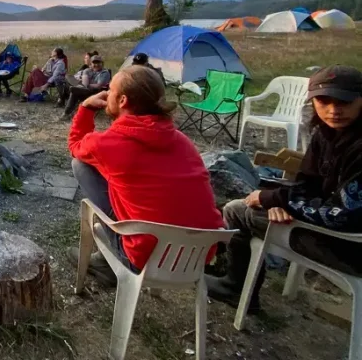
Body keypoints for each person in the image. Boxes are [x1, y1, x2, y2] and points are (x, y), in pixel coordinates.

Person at [207, 65, 362, 314]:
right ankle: (225, 272)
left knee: (238, 210)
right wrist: (278, 202)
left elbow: (344, 217)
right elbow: (305, 184)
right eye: (324, 100)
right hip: (325, 228)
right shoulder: (326, 134)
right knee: (247, 205)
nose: (334, 110)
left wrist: (281, 201)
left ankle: (234, 286)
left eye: (345, 101)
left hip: (348, 247)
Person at [68, 65, 224, 286]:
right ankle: (105, 261)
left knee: (80, 165)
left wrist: (86, 108)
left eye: (110, 90)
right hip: (196, 258)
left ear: (122, 101)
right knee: (129, 186)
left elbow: (75, 145)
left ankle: (109, 265)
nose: (106, 93)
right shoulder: (182, 141)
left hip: (145, 259)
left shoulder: (105, 145)